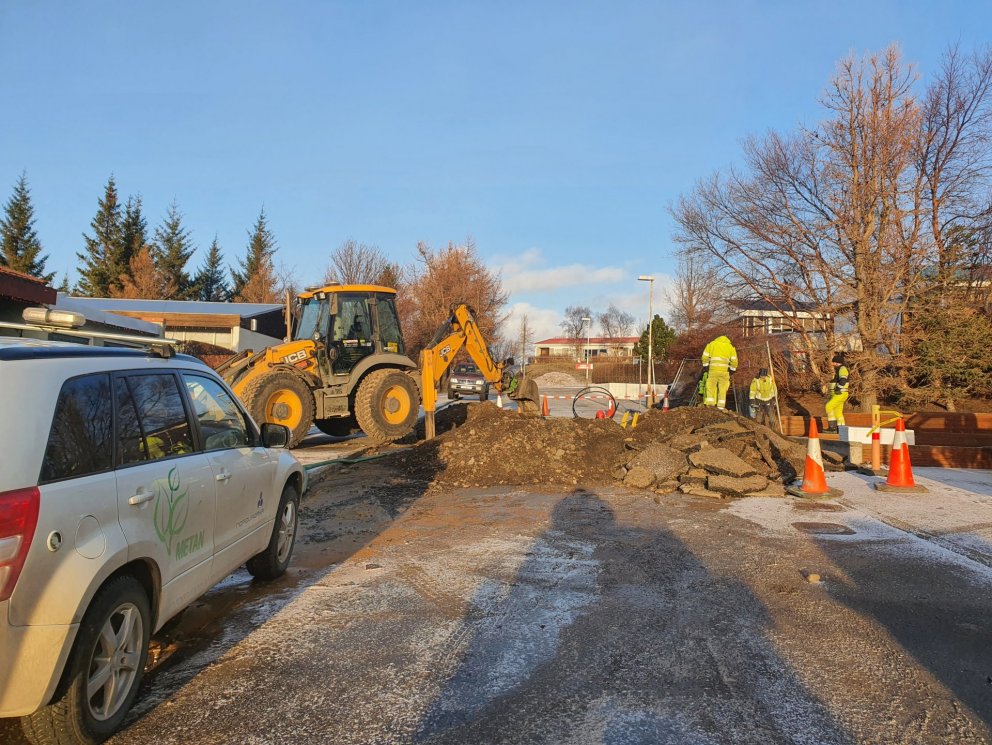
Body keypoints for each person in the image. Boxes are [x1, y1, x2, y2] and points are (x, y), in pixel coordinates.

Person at [701, 335, 738, 409]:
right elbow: (734, 361)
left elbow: (704, 357)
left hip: (713, 370)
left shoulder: (712, 344)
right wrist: (732, 370)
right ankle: (721, 407)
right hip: (724, 371)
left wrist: (706, 366)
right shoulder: (730, 347)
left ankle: (710, 405)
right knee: (723, 389)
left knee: (710, 386)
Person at [825, 352, 849, 432]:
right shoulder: (840, 369)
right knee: (838, 412)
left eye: (833, 362)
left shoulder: (842, 369)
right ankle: (841, 430)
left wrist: (838, 389)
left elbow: (843, 380)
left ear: (836, 362)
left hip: (840, 393)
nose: (832, 363)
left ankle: (832, 428)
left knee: (829, 406)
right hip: (840, 393)